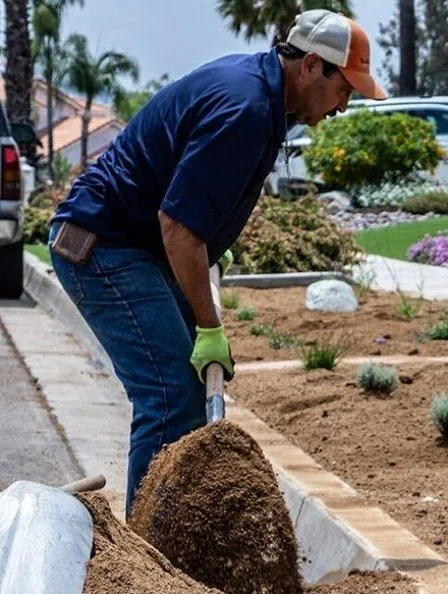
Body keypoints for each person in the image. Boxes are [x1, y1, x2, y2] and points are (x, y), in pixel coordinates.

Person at [48, 10, 385, 515]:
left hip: (136, 244)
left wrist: (213, 240)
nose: (345, 104)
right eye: (346, 88)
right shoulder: (246, 108)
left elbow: (189, 203)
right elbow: (179, 227)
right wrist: (208, 324)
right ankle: (150, 554)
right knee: (170, 395)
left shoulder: (262, 95)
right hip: (103, 246)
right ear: (312, 66)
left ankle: (176, 531)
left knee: (179, 392)